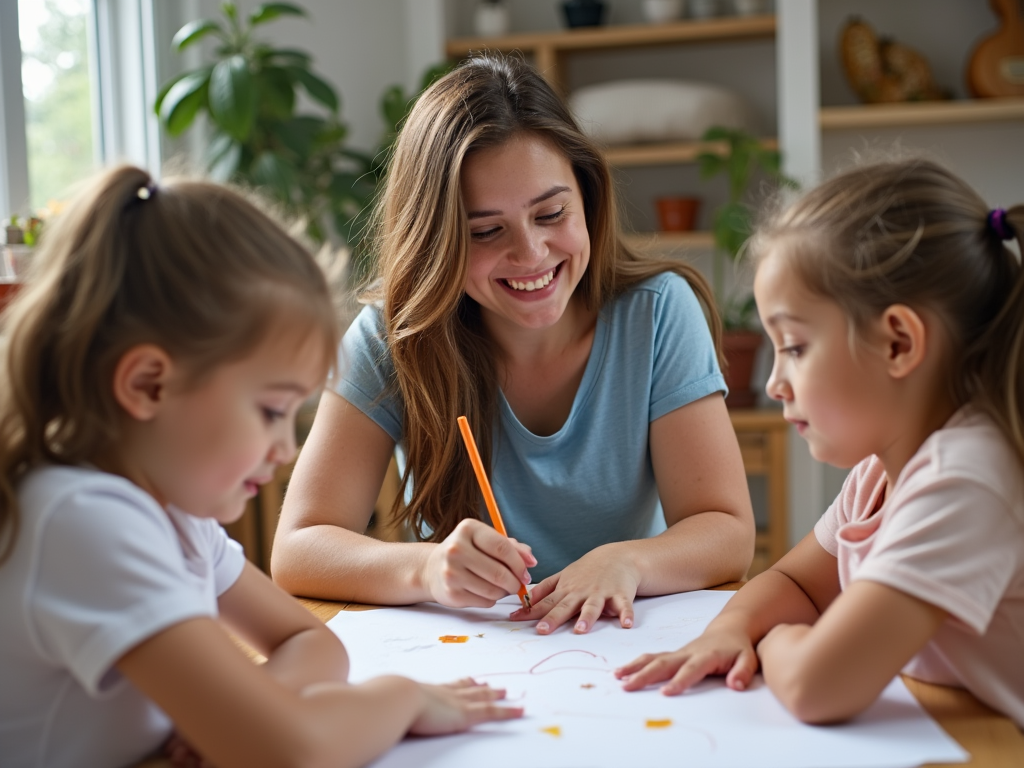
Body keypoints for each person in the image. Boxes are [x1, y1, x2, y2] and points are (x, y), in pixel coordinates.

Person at [0, 165, 521, 768]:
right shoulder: (82, 518)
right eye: (272, 409)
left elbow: (310, 640)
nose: (287, 449)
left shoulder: (171, 514)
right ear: (147, 384)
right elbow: (290, 752)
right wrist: (400, 699)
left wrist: (243, 717)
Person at [272, 53, 755, 636]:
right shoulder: (390, 340)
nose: (531, 254)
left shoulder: (657, 313)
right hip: (471, 655)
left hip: (621, 643)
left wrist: (626, 560)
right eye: (486, 231)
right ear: (438, 240)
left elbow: (726, 530)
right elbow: (298, 550)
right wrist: (424, 569)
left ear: (589, 199)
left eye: (551, 213)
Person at [615, 158, 1024, 728]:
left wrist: (778, 638)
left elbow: (816, 687)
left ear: (899, 343)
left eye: (796, 347)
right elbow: (793, 581)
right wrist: (731, 629)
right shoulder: (880, 474)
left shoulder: (965, 478)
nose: (774, 381)